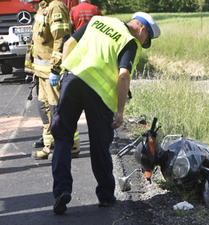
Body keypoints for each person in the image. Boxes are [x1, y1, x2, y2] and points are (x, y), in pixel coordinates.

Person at [51, 12, 161, 214]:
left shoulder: (97, 21)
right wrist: (120, 111)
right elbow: (124, 76)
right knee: (99, 145)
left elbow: (68, 45)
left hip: (73, 81)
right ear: (142, 30)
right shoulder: (130, 41)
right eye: (147, 40)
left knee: (62, 138)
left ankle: (61, 191)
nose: (144, 44)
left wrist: (64, 75)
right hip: (99, 95)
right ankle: (106, 196)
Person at [26, 0, 80, 160]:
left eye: (32, 2)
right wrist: (34, 68)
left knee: (58, 109)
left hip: (52, 70)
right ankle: (50, 146)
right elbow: (38, 41)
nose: (31, 5)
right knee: (45, 108)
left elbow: (61, 40)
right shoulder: (42, 9)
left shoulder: (55, 7)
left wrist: (56, 69)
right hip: (42, 72)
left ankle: (68, 146)